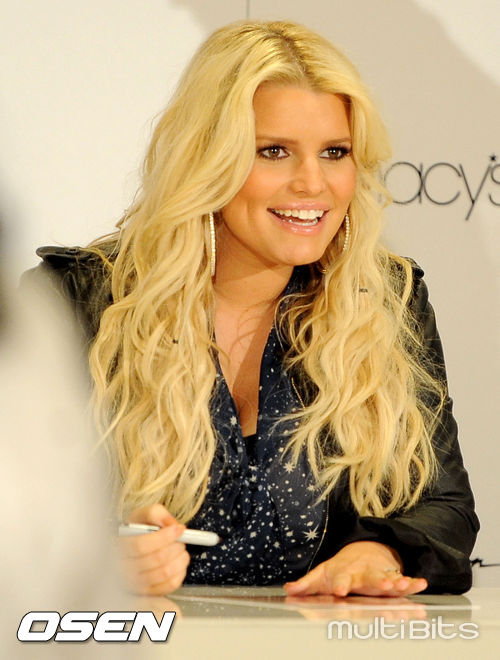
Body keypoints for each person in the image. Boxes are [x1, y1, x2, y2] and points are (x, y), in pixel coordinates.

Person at [29, 20, 478, 598]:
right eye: (274, 152)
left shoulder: (385, 299)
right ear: (208, 158)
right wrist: (95, 555)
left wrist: (377, 552)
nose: (312, 183)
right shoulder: (79, 299)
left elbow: (443, 505)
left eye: (335, 152)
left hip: (312, 637)